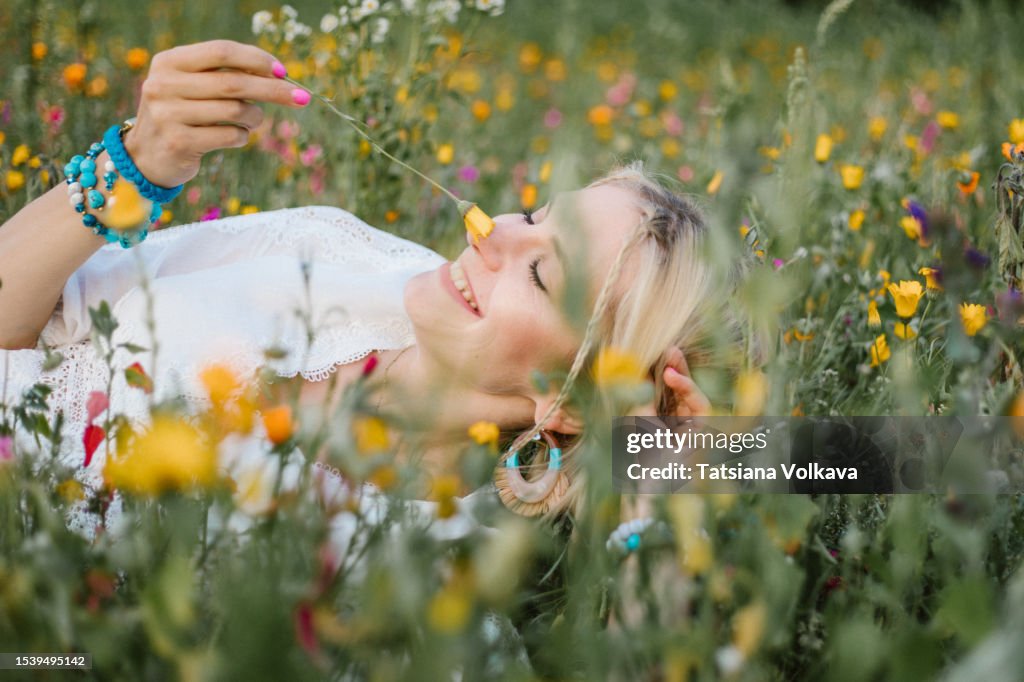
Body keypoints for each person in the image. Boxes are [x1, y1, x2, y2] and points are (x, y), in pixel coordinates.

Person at [0, 40, 736, 534]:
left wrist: (674, 492)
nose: (490, 232)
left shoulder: (415, 569)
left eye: (543, 272)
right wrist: (140, 163)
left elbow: (844, 459)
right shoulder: (329, 248)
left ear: (569, 402)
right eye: (531, 214)